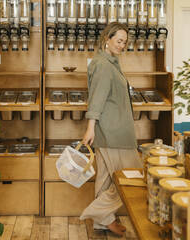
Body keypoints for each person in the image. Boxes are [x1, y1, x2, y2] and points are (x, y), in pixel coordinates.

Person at [80, 22, 142, 236]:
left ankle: (101, 221)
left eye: (125, 42)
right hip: (114, 132)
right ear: (107, 39)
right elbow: (97, 99)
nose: (122, 45)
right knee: (133, 176)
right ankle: (96, 212)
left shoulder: (110, 62)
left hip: (111, 129)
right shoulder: (104, 65)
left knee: (106, 177)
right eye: (119, 41)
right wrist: (90, 128)